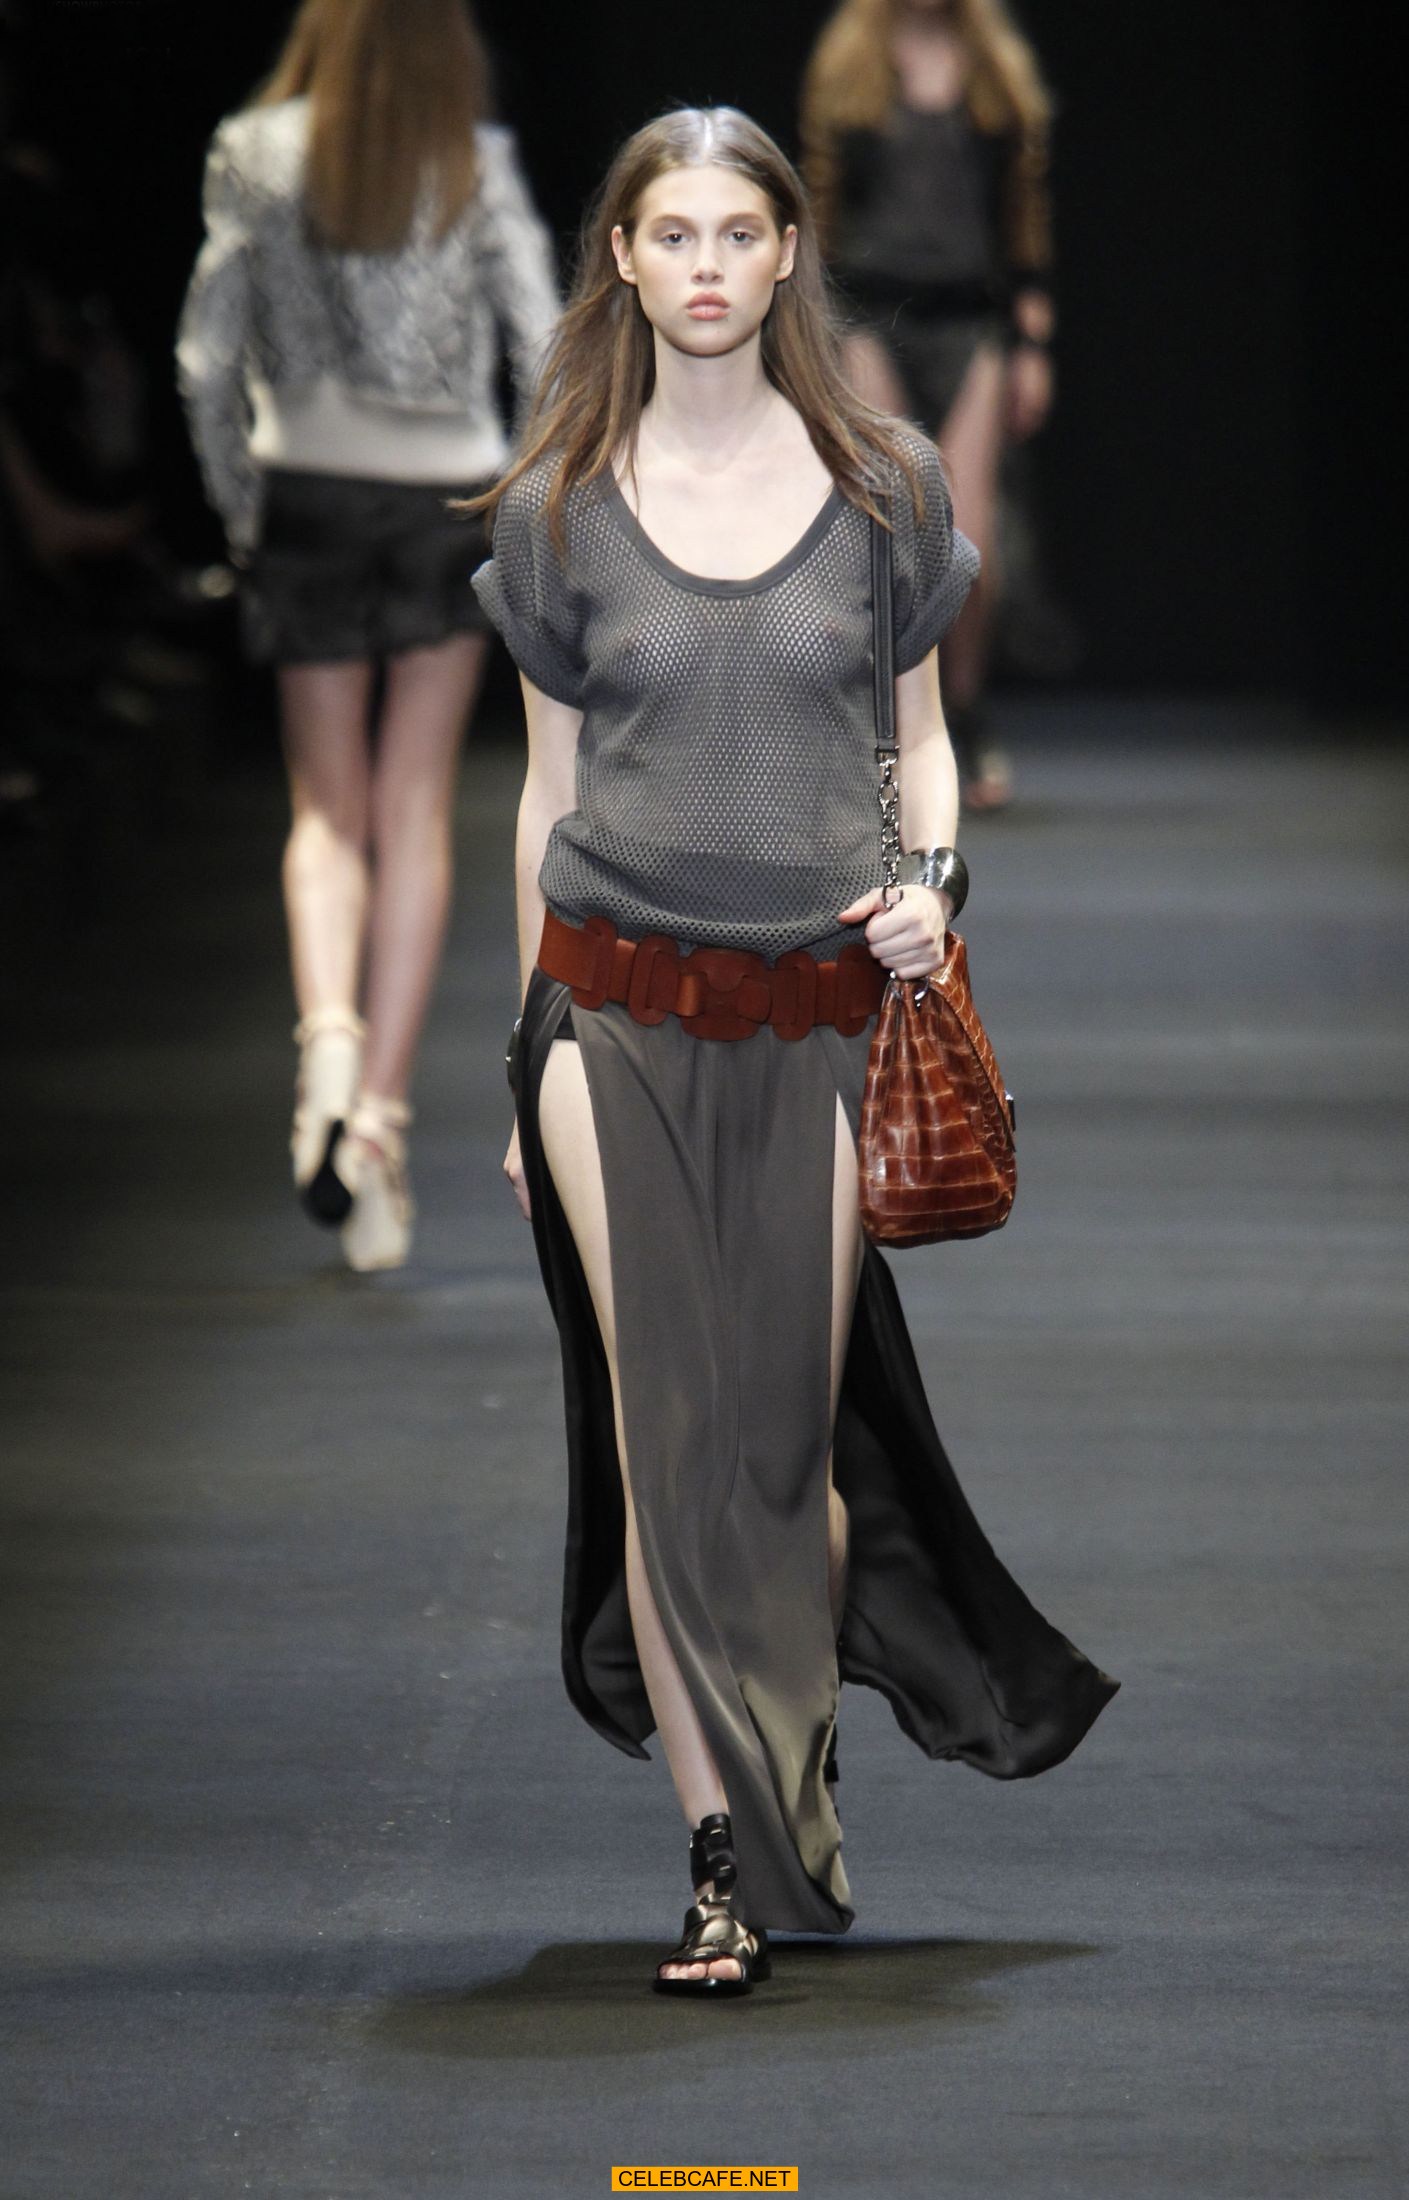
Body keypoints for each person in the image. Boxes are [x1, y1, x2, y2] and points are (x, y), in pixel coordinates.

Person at [471, 105, 1115, 1998]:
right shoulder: (556, 505)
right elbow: (545, 797)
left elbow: (921, 742)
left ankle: (783, 1714)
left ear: (781, 256)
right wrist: (518, 1050)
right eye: (668, 235)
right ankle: (715, 1859)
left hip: (820, 1011)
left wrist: (932, 884)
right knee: (668, 1442)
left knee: (774, 1460)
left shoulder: (883, 484)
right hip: (606, 1011)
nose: (702, 268)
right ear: (619, 256)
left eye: (734, 236)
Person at [177, 0, 559, 1269]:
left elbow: (205, 357)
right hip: (443, 500)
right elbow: (543, 342)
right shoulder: (470, 157)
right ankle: (378, 1123)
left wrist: (246, 511)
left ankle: (326, 1050)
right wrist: (515, 505)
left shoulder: (254, 150)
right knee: (411, 807)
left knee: (325, 811)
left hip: (306, 491)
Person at [802, 0, 1056, 810]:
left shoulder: (994, 70)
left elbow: (1021, 214)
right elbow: (820, 206)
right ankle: (883, 728)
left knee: (969, 539)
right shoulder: (850, 65)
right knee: (881, 530)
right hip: (869, 316)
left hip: (969, 319)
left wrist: (1032, 339)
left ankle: (964, 710)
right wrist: (811, 328)